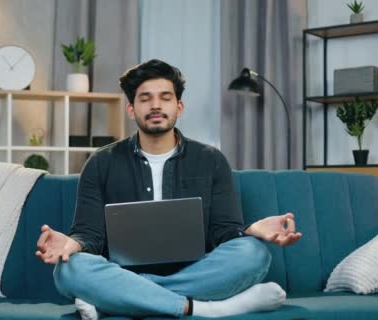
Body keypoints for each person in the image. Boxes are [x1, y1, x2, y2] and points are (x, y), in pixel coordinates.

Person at [35, 59, 302, 319]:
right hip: (121, 271)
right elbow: (89, 235)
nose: (155, 105)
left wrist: (249, 232)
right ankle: (200, 308)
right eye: (145, 98)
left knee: (254, 253)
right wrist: (73, 243)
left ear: (179, 106)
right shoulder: (101, 162)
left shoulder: (211, 160)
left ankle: (118, 300)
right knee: (70, 269)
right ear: (131, 109)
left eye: (165, 97)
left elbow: (224, 231)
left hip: (192, 271)